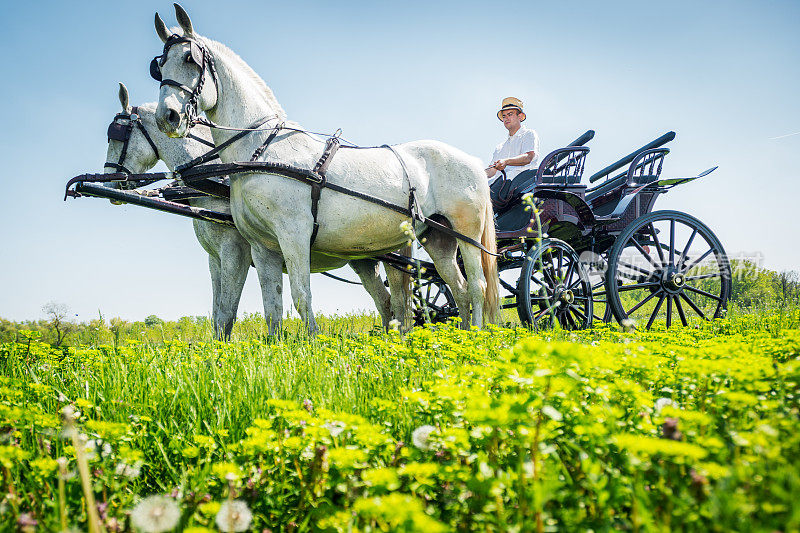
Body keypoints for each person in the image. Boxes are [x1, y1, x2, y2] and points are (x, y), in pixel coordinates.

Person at [486, 97, 539, 185]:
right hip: (499, 186)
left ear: (520, 116)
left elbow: (528, 157)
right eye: (504, 116)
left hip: (520, 183)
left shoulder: (529, 134)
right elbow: (492, 171)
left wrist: (506, 161)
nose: (506, 118)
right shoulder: (500, 147)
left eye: (510, 114)